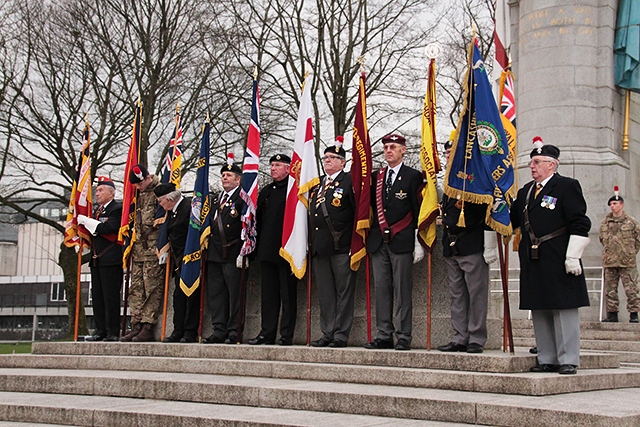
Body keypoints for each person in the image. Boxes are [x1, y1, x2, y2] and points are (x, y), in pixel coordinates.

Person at [511, 136, 591, 375]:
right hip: (533, 257)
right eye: (531, 162)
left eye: (536, 162)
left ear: (551, 164)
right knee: (540, 307)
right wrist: (497, 206)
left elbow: (579, 222)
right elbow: (514, 221)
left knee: (563, 308)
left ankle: (568, 359)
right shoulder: (526, 192)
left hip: (559, 256)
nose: (531, 166)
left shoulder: (566, 186)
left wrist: (573, 256)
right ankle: (547, 357)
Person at [438, 137, 498, 354]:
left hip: (471, 243)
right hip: (451, 244)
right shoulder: (447, 182)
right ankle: (459, 336)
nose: (447, 157)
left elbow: (487, 212)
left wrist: (489, 244)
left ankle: (476, 337)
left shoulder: (474, 179)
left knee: (476, 294)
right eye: (445, 154)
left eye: (450, 153)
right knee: (457, 294)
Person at [364, 133, 423, 351]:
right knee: (381, 289)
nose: (389, 150)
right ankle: (384, 334)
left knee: (402, 290)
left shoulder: (413, 176)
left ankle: (404, 335)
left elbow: (417, 211)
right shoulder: (376, 177)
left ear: (403, 150)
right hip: (378, 242)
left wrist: (418, 240)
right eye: (386, 147)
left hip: (402, 240)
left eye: (393, 147)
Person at [309, 137, 356, 348]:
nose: (328, 160)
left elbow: (357, 214)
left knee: (343, 292)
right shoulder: (317, 184)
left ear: (343, 162)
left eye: (333, 157)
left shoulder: (350, 181)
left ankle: (340, 334)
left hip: (342, 246)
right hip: (320, 247)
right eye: (326, 157)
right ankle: (327, 332)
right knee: (326, 294)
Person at [248, 154, 298, 346]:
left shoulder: (293, 190)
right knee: (268, 296)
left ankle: (286, 334)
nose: (273, 168)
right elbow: (257, 221)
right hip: (267, 249)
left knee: (288, 294)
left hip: (287, 250)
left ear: (288, 168)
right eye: (272, 165)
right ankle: (266, 333)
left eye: (278, 165)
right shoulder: (267, 191)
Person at [203, 157, 246, 344]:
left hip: (233, 251)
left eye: (229, 175)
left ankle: (234, 331)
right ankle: (218, 329)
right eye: (223, 175)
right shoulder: (215, 200)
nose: (224, 178)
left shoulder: (243, 199)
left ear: (238, 180)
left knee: (235, 295)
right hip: (214, 253)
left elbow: (247, 226)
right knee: (216, 294)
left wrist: (244, 251)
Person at [120, 164, 164, 342]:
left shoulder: (159, 192)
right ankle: (135, 324)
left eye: (139, 184)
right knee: (136, 289)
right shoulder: (136, 195)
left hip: (152, 248)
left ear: (147, 178)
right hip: (137, 248)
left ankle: (148, 325)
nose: (137, 188)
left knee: (151, 287)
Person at [77, 176, 123, 342]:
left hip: (111, 259)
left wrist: (89, 222)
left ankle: (113, 331)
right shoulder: (98, 211)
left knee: (110, 296)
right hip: (97, 259)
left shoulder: (117, 209)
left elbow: (109, 227)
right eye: (96, 190)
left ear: (111, 193)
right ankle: (100, 329)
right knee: (97, 296)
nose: (97, 193)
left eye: (101, 190)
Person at [154, 182, 200, 343]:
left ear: (169, 199)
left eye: (160, 201)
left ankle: (189, 332)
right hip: (178, 261)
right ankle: (177, 330)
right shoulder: (172, 212)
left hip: (191, 259)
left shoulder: (189, 207)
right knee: (178, 298)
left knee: (191, 296)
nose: (160, 205)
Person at [599, 187, 640, 323]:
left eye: (615, 204)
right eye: (611, 204)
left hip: (627, 261)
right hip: (610, 261)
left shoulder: (631, 222)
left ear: (621, 205)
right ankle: (612, 314)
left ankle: (634, 314)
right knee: (610, 289)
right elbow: (602, 239)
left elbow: (638, 239)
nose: (612, 206)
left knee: (631, 289)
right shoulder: (605, 223)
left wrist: (631, 252)